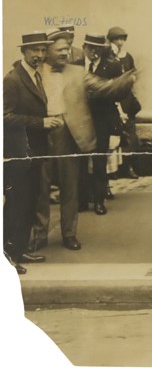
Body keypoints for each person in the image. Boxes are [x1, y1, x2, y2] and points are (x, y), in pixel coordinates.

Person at [34, 30, 131, 251]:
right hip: (40, 134)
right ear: (47, 50)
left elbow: (104, 87)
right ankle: (39, 235)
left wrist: (125, 81)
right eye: (59, 49)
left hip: (68, 135)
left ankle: (69, 235)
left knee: (71, 187)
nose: (64, 53)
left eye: (67, 49)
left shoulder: (78, 72)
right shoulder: (35, 72)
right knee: (40, 186)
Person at [3, 31, 54, 273]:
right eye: (35, 50)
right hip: (18, 153)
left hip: (34, 152)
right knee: (16, 204)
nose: (40, 55)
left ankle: (19, 250)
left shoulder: (34, 76)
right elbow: (6, 117)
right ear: (23, 52)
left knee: (29, 201)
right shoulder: (12, 79)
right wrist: (41, 123)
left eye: (43, 50)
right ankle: (7, 257)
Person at [82, 34, 135, 215]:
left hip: (102, 119)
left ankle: (99, 200)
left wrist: (107, 91)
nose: (93, 52)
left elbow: (121, 93)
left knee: (99, 160)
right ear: (84, 47)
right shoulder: (76, 66)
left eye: (97, 48)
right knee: (81, 160)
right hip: (80, 119)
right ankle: (82, 199)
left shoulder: (111, 66)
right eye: (90, 48)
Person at [106, 26, 140, 179]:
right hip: (113, 98)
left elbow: (133, 74)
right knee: (114, 135)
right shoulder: (108, 55)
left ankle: (128, 166)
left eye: (122, 39)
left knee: (129, 135)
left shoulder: (128, 57)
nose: (120, 42)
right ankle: (113, 169)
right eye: (117, 39)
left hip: (126, 98)